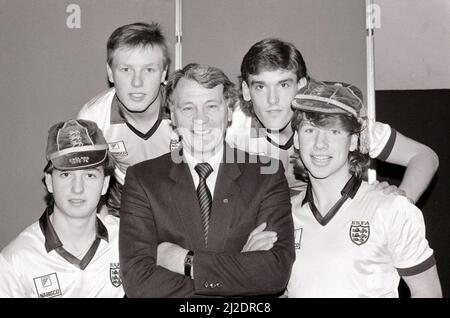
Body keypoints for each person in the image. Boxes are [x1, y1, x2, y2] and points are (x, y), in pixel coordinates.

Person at [119, 63, 295, 297]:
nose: (200, 119)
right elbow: (138, 282)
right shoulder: (143, 179)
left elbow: (274, 273)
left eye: (211, 106)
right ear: (172, 114)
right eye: (188, 108)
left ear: (229, 111)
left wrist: (186, 262)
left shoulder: (266, 174)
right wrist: (240, 268)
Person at [226, 38, 439, 201]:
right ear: (246, 90)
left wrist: (403, 198)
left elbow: (424, 156)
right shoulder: (234, 126)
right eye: (260, 86)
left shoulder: (333, 118)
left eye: (283, 85)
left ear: (301, 86)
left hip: (336, 224)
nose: (272, 100)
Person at [284, 81, 442, 297]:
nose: (320, 143)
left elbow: (428, 293)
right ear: (296, 139)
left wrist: (405, 199)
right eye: (310, 130)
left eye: (334, 132)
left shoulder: (390, 209)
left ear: (353, 141)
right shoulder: (284, 215)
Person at [0, 119, 124, 298]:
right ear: (49, 181)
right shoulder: (15, 261)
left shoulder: (127, 240)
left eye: (90, 175)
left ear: (105, 183)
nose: (78, 188)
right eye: (66, 174)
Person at [78, 22, 178, 215]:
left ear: (164, 73)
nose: (137, 82)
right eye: (126, 69)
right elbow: (86, 180)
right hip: (125, 196)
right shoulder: (94, 117)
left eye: (149, 70)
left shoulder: (185, 110)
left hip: (183, 194)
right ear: (110, 72)